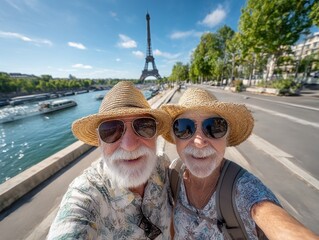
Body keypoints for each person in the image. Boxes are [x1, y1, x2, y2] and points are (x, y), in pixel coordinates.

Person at [161, 87, 319, 240]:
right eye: (184, 128)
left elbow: (274, 219)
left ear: (226, 138)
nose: (199, 141)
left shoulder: (245, 189)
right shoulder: (175, 174)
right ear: (175, 139)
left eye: (214, 127)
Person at [47, 81, 173, 239]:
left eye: (143, 126)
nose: (129, 146)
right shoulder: (87, 194)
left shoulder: (164, 166)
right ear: (99, 142)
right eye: (111, 130)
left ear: (155, 135)